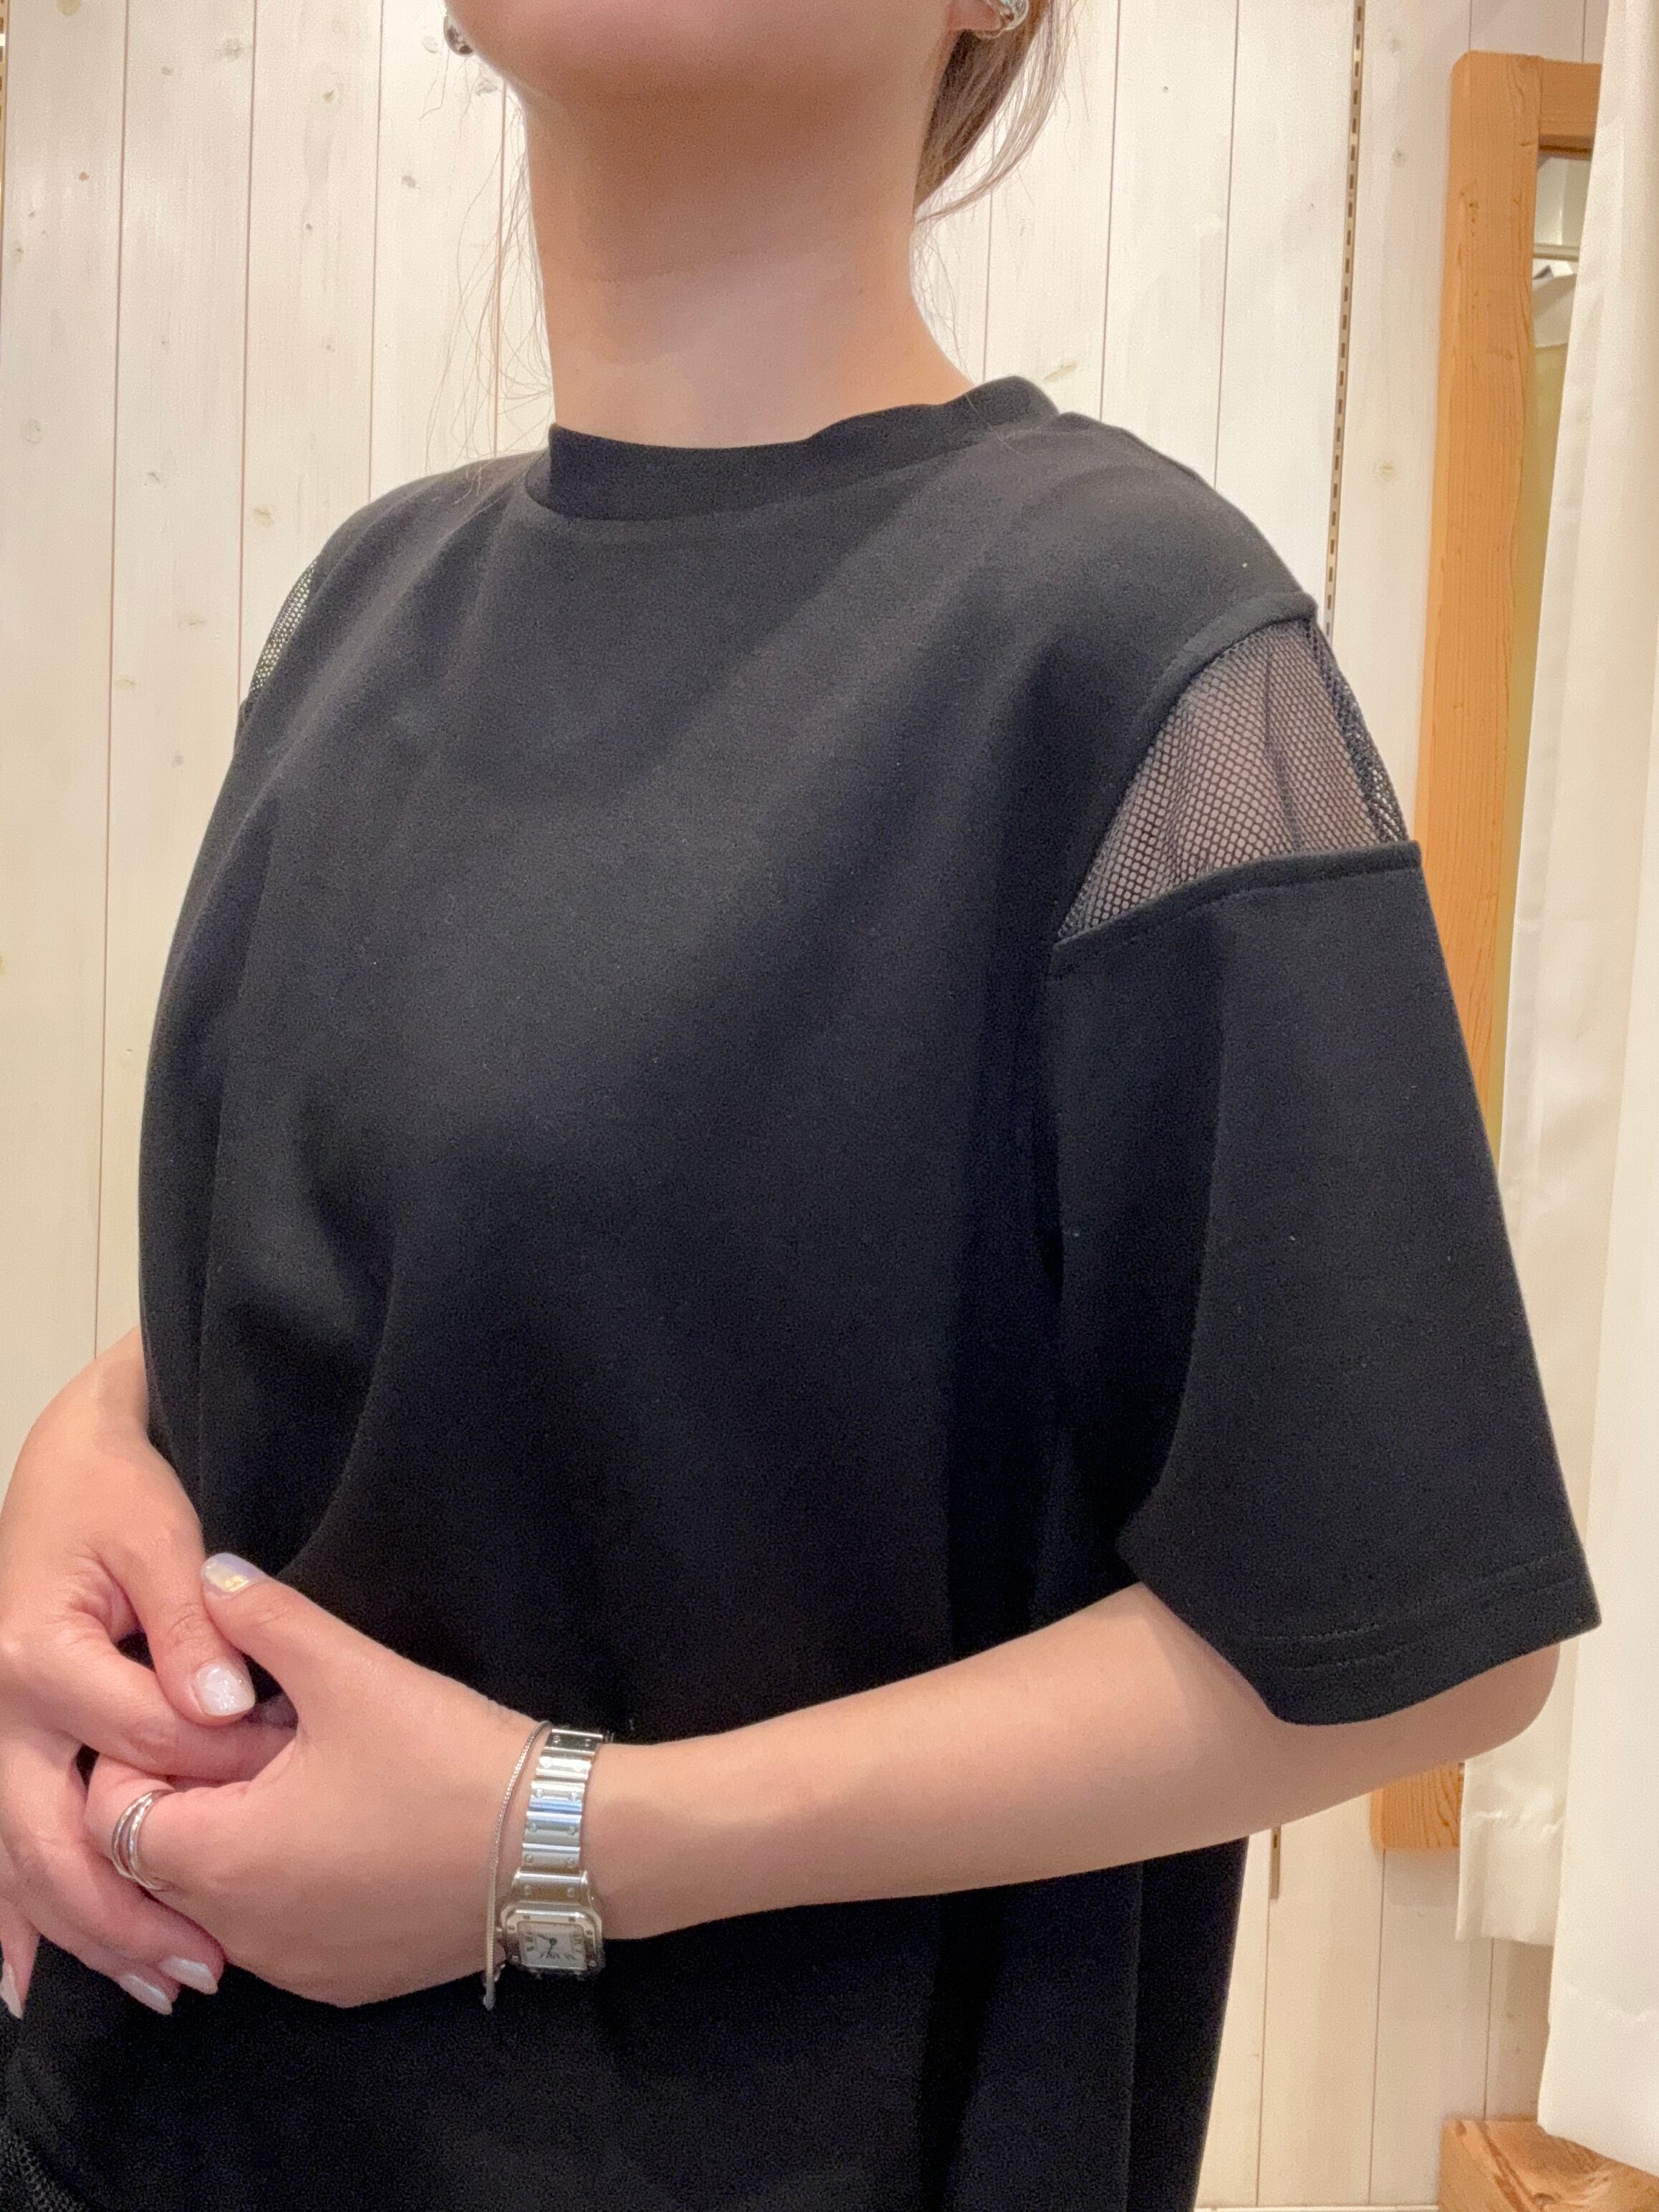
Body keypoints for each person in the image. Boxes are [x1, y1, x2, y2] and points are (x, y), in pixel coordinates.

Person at [0, 1, 1602, 2207]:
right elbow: (448, 1282)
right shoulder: (359, 602)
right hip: (127, 2110)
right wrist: (85, 1452)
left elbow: (1414, 1636)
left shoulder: (1130, 649)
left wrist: (563, 1844)